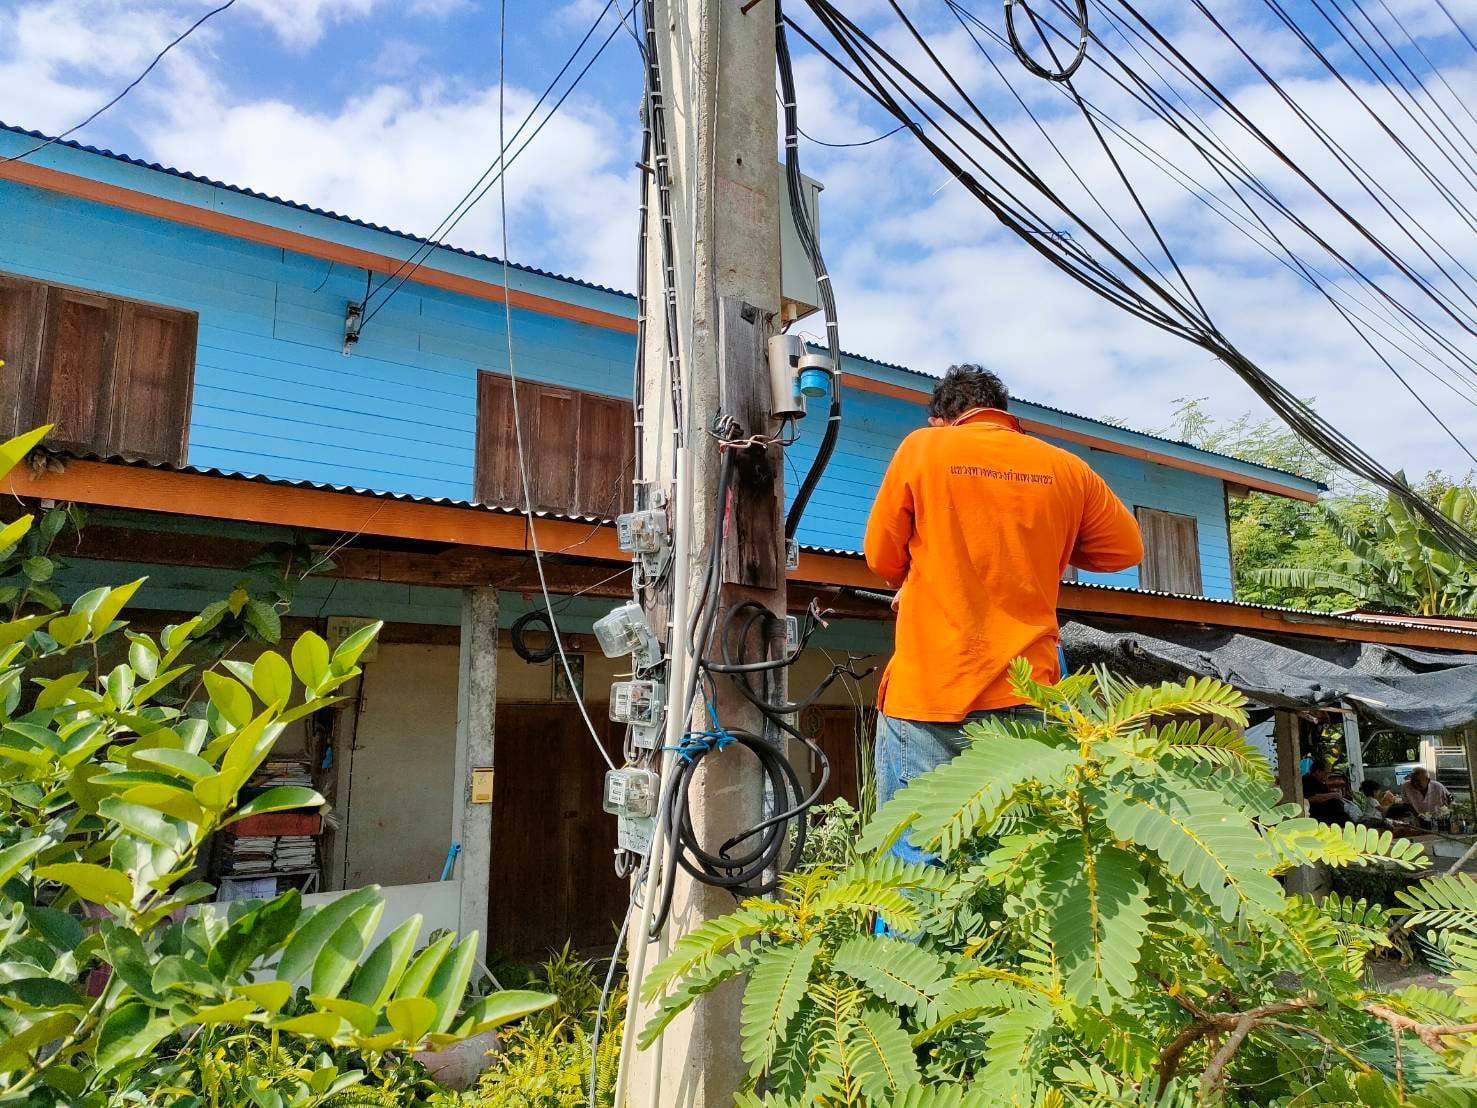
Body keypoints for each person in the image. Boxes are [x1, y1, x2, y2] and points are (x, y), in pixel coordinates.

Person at [863, 365, 1143, 863]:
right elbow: (1124, 550)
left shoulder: (924, 449)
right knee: (1017, 862)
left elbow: (882, 561)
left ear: (940, 419)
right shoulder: (1066, 467)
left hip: (933, 694)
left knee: (918, 866)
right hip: (1029, 692)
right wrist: (1042, 541)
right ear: (1002, 412)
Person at [1302, 758, 1347, 824]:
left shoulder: (1319, 781)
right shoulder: (1307, 780)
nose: (1327, 776)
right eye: (1326, 773)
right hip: (1321, 816)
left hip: (1332, 815)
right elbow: (1311, 797)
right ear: (1318, 772)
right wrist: (1333, 795)